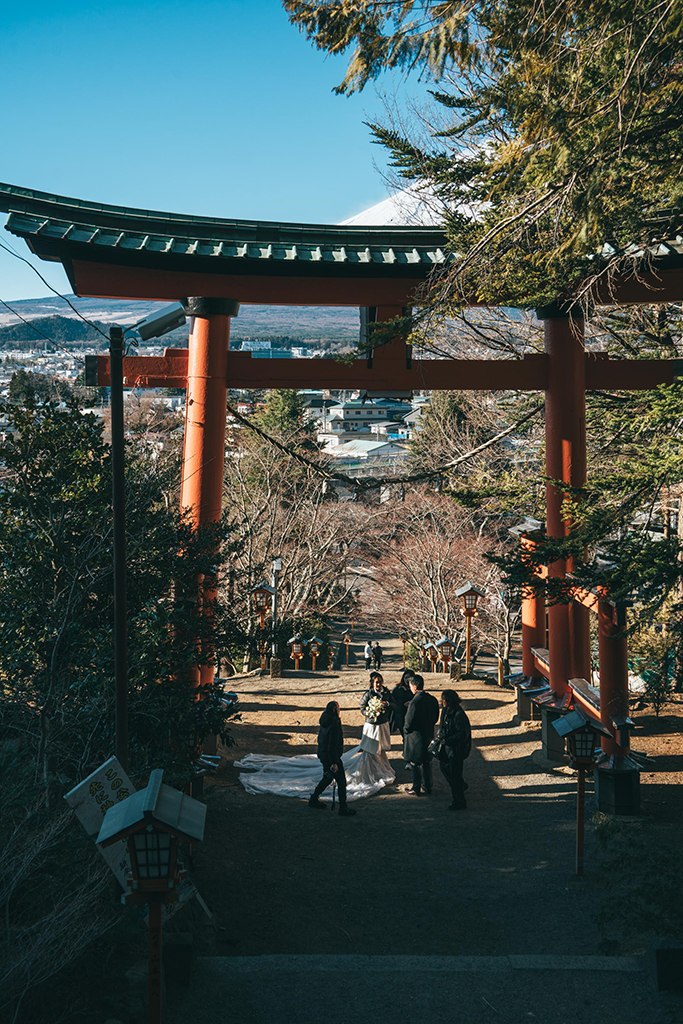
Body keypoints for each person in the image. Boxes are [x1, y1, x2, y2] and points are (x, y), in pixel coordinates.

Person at [309, 701, 356, 816]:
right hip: (331, 757)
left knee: (327, 778)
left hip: (324, 755)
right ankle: (343, 807)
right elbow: (332, 745)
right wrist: (334, 762)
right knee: (340, 781)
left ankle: (314, 799)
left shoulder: (325, 720)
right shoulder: (334, 724)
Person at [403, 674, 440, 796]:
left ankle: (416, 787)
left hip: (415, 737)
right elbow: (435, 718)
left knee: (415, 763)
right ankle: (428, 786)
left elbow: (408, 722)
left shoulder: (414, 702)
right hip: (428, 733)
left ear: (414, 686)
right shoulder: (432, 699)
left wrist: (406, 730)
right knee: (427, 762)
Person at [436, 690, 472, 810]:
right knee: (444, 767)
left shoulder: (458, 714)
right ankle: (460, 786)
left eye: (444, 700)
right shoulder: (446, 711)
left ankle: (459, 801)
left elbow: (462, 734)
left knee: (455, 774)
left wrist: (448, 740)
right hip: (448, 748)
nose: (442, 702)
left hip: (456, 749)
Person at [360, 672, 394, 758]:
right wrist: (370, 713)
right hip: (371, 724)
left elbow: (394, 704)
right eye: (376, 682)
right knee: (370, 747)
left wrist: (387, 704)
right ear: (372, 683)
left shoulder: (387, 692)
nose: (378, 684)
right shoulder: (368, 694)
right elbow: (362, 708)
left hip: (383, 723)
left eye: (380, 682)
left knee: (381, 748)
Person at [390, 669, 415, 738]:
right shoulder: (397, 689)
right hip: (400, 715)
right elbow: (392, 700)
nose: (407, 680)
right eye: (406, 678)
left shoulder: (414, 690)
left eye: (409, 678)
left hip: (411, 715)